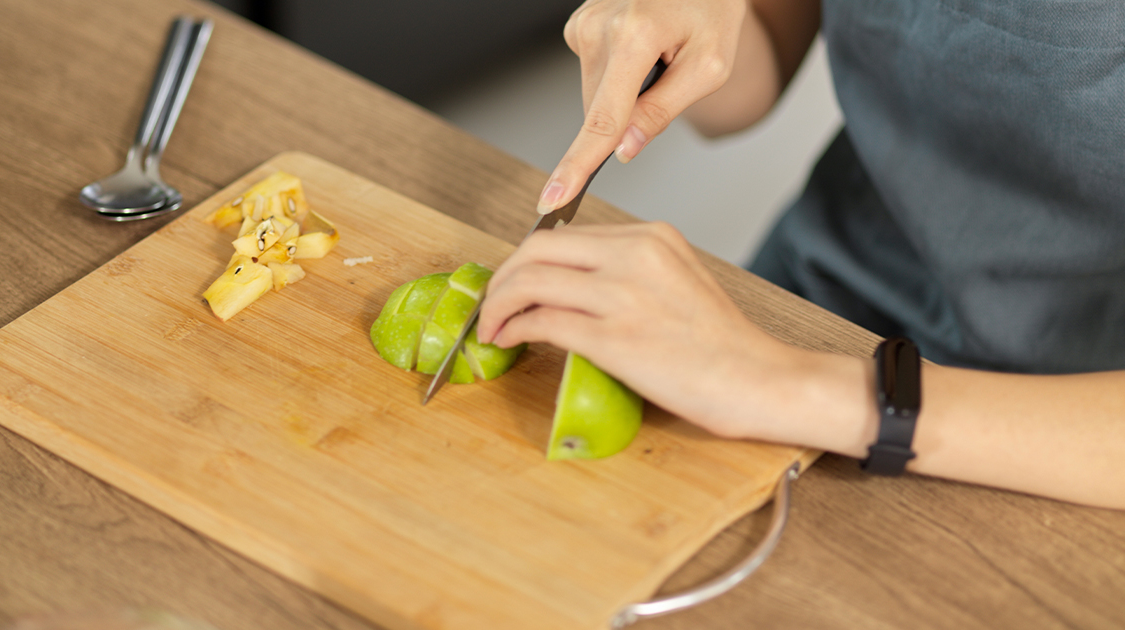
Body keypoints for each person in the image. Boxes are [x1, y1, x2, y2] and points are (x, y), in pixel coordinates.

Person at [475, 0, 1125, 509]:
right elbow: (755, 59)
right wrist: (687, 29)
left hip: (1057, 450)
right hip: (806, 301)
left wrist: (785, 386)